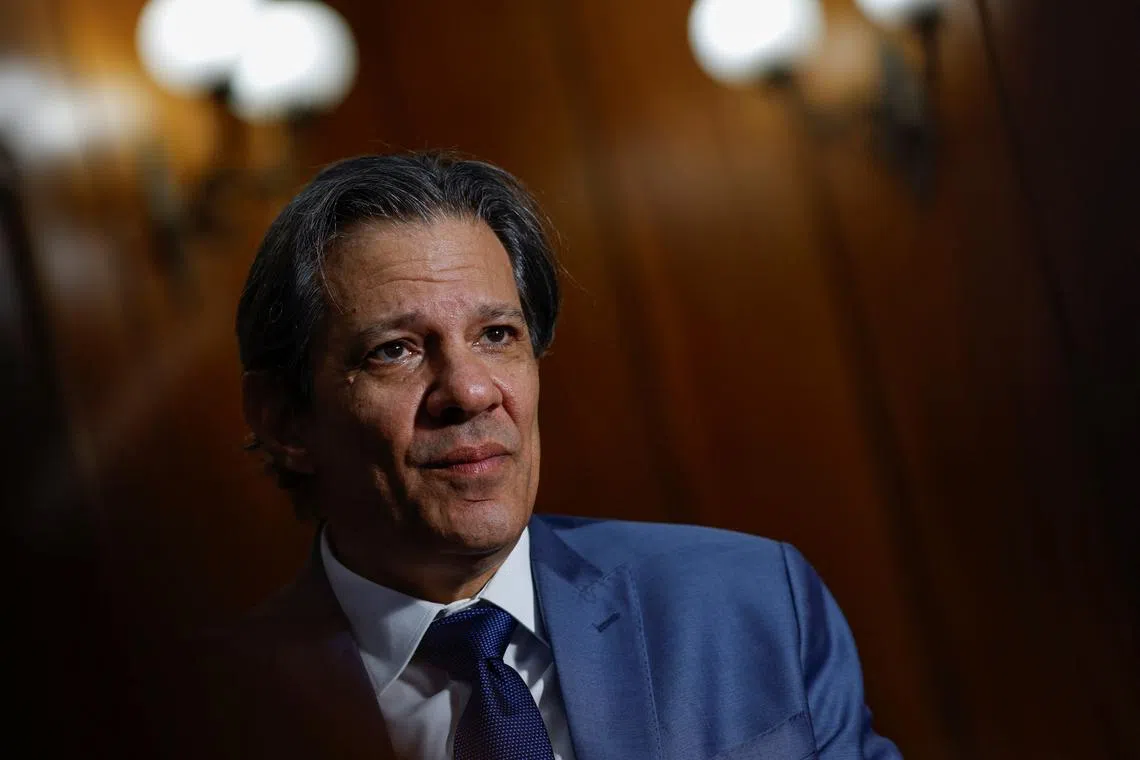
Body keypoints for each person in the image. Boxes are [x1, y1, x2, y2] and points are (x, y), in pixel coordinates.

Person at [179, 152, 901, 759]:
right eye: (394, 351)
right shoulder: (210, 717)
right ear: (284, 421)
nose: (468, 390)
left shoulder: (749, 604)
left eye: (496, 334)